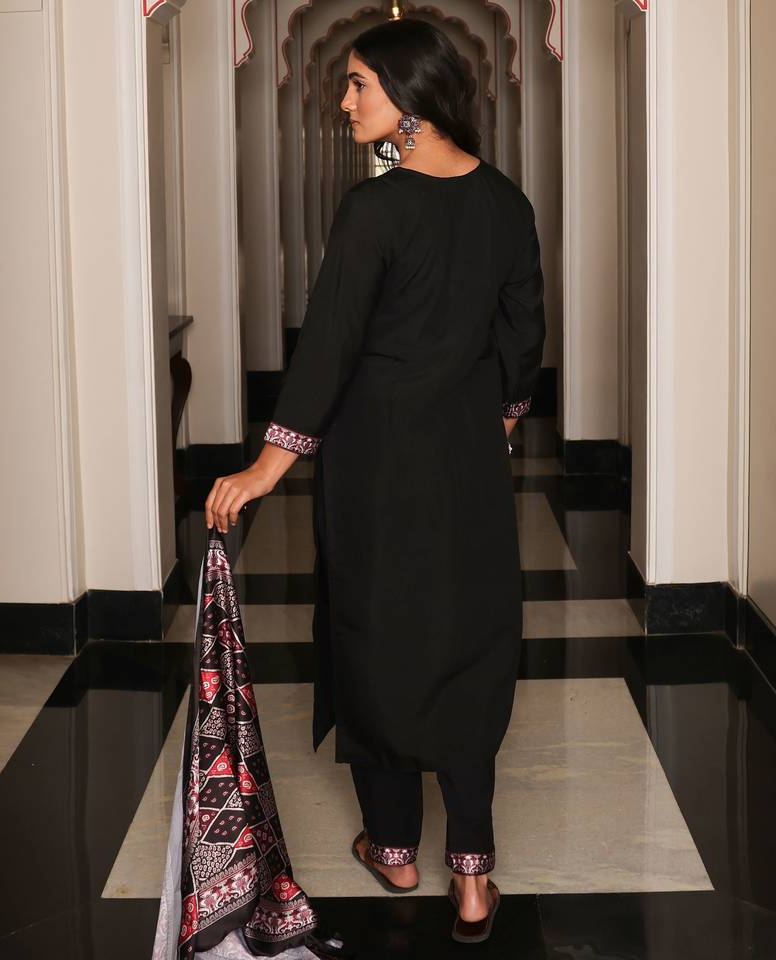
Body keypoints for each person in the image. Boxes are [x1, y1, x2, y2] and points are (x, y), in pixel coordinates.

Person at [205, 17, 545, 945]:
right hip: (466, 463)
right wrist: (490, 425)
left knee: (376, 632)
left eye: (359, 84)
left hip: (376, 463)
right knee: (470, 639)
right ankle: (472, 877)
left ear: (411, 95)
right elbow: (522, 342)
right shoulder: (507, 204)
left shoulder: (376, 209)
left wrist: (266, 465)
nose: (344, 99)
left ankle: (393, 851)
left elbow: (329, 349)